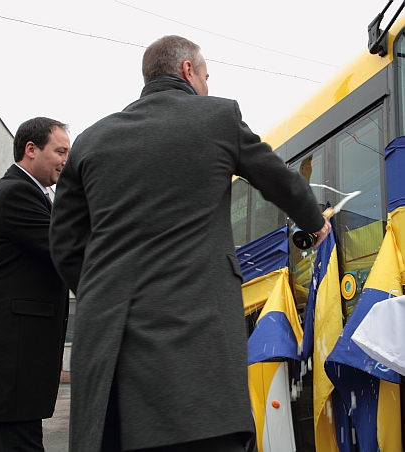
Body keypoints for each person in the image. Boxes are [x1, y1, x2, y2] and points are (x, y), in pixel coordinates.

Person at [49, 35, 331, 452]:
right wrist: (314, 220)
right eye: (205, 75)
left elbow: (65, 243)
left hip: (109, 352)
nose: (207, 85)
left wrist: (101, 292)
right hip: (195, 347)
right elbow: (278, 178)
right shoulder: (217, 117)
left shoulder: (91, 140)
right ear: (187, 71)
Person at [0, 117, 71, 451]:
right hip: (11, 369)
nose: (66, 160)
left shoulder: (31, 193)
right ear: (31, 150)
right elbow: (66, 247)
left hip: (16, 372)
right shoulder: (17, 193)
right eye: (60, 151)